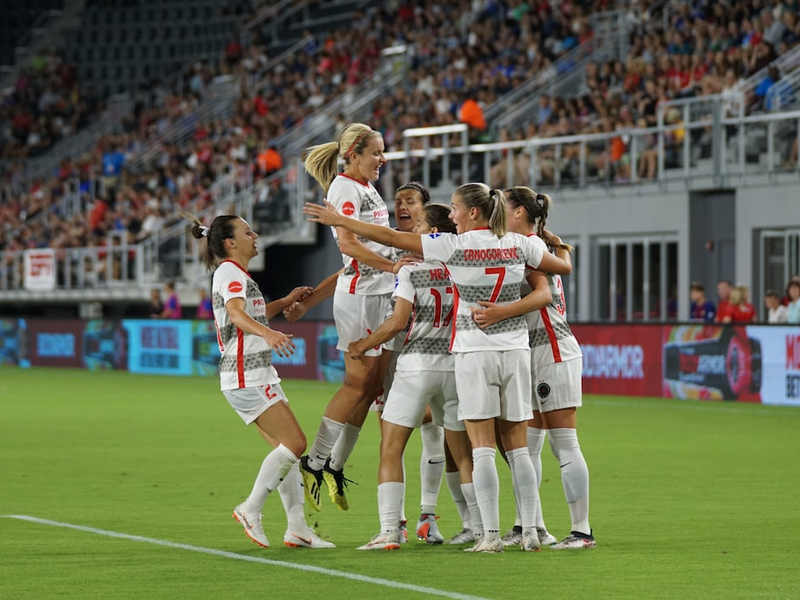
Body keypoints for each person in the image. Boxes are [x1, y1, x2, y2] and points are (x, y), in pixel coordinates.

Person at [304, 182, 573, 553]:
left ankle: (480, 535)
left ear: (473, 212)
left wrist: (340, 221)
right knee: (517, 449)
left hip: (463, 355)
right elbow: (561, 269)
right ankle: (528, 531)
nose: (451, 215)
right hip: (512, 352)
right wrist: (554, 243)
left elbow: (389, 239)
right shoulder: (520, 244)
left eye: (456, 208)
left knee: (470, 450)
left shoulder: (452, 248)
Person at [183, 211, 334, 549]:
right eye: (248, 232)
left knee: (286, 452)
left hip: (249, 374)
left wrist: (285, 301)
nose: (255, 236)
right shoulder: (229, 272)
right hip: (246, 374)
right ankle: (251, 508)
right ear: (230, 242)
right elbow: (237, 316)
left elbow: (249, 312)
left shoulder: (234, 274)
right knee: (295, 444)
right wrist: (269, 334)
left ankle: (297, 529)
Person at [344, 204, 477, 550]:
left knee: (391, 447)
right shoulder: (464, 267)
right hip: (454, 366)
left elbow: (398, 322)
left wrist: (364, 344)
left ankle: (389, 530)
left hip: (416, 365)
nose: (413, 229)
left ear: (433, 233)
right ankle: (478, 526)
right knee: (462, 453)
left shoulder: (410, 272)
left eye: (418, 224)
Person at [477, 187, 595, 550]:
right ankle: (531, 524)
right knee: (526, 446)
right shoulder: (531, 246)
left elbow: (542, 295)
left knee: (564, 444)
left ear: (517, 214)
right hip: (530, 352)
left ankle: (581, 531)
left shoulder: (527, 250)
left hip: (552, 351)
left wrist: (499, 312)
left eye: (501, 207)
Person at [298, 123, 403, 513]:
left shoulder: (366, 187)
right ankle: (315, 460)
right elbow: (347, 243)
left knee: (372, 387)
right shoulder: (344, 188)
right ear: (354, 155)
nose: (383, 159)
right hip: (360, 298)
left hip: (378, 295)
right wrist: (392, 268)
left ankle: (335, 466)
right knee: (356, 385)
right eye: (376, 152)